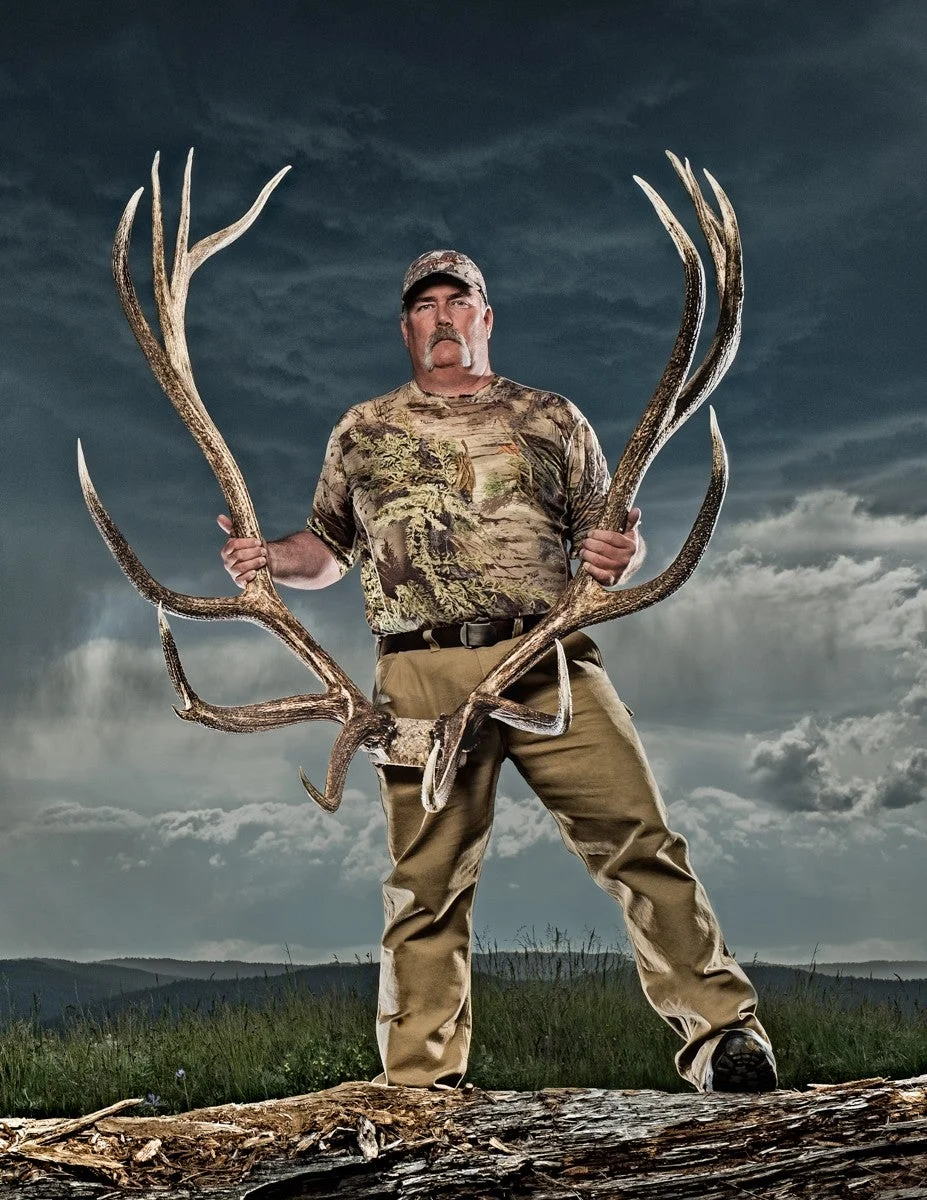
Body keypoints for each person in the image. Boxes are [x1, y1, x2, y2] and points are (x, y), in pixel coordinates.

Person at [218, 249, 778, 1094]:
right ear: (406, 326)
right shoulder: (362, 431)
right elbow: (327, 550)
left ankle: (722, 1039)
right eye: (425, 306)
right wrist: (268, 558)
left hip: (548, 660)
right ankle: (419, 1085)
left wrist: (621, 554)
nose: (443, 317)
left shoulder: (550, 417)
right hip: (418, 679)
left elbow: (608, 538)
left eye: (459, 301)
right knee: (424, 882)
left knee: (640, 842)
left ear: (485, 317)